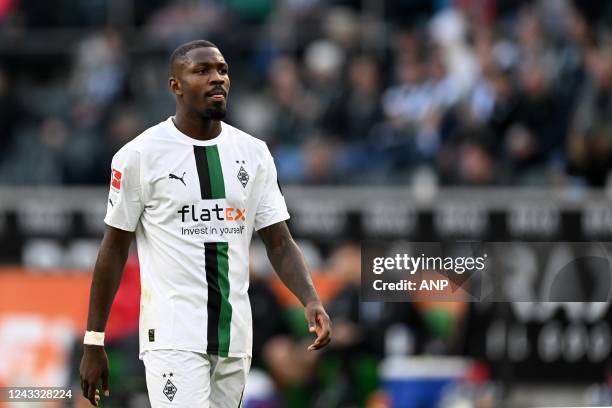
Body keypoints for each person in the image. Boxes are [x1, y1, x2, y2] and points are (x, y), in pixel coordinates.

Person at [79, 39, 332, 407]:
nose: (217, 78)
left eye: (222, 70)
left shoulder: (254, 153)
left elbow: (278, 241)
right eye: (202, 71)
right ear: (175, 85)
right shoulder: (139, 155)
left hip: (235, 336)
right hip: (173, 336)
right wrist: (93, 340)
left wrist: (310, 299)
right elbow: (114, 248)